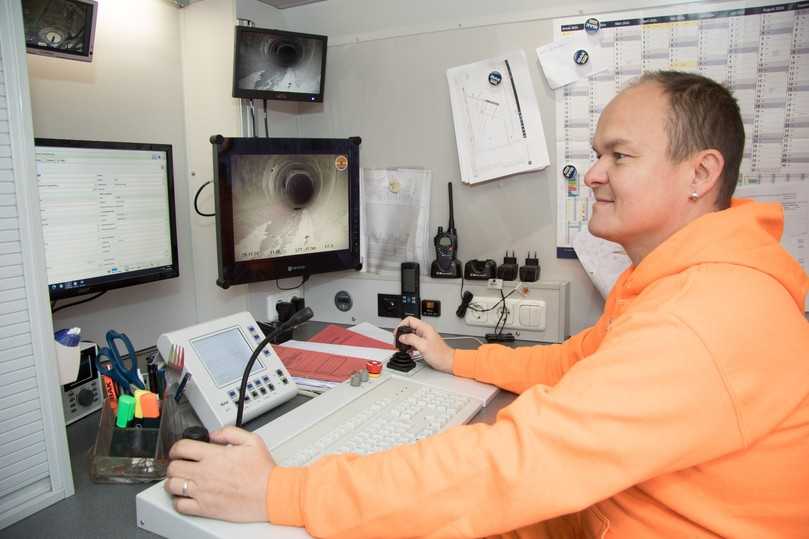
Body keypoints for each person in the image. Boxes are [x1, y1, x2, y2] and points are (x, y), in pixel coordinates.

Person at [165, 71, 809, 538]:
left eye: (620, 156)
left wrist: (282, 491)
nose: (592, 174)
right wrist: (458, 359)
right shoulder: (688, 283)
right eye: (595, 155)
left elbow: (513, 466)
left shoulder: (703, 316)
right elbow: (575, 362)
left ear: (700, 175)